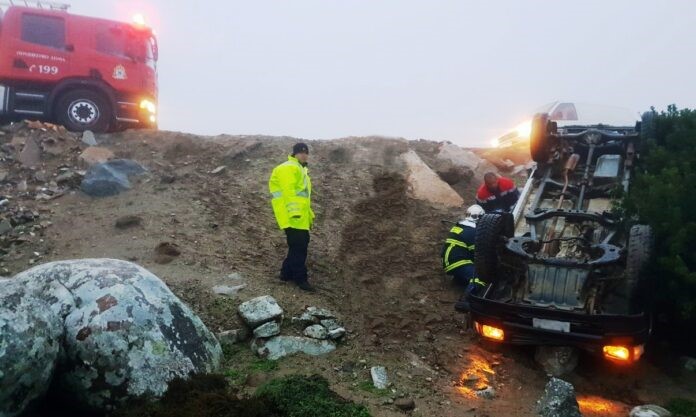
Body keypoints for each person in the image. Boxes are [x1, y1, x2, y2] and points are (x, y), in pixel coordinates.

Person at [269, 143, 316, 292]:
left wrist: (308, 216)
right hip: (292, 216)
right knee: (299, 247)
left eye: (306, 153)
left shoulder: (301, 170)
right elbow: (289, 193)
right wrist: (294, 212)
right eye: (301, 152)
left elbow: (303, 198)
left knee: (299, 244)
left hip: (299, 217)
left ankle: (286, 273)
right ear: (294, 153)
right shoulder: (289, 167)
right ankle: (300, 278)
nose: (304, 155)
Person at [442, 205, 487, 312]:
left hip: (450, 260)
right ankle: (465, 301)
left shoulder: (461, 226)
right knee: (480, 277)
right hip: (458, 262)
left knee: (471, 269)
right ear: (481, 218)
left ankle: (460, 279)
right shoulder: (473, 231)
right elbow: (478, 254)